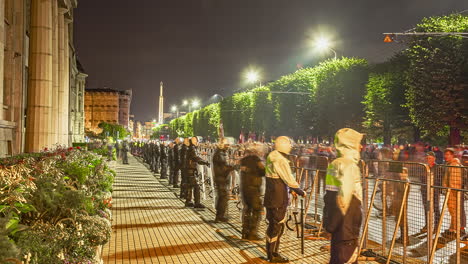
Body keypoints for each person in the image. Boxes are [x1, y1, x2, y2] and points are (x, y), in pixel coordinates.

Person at [323, 128, 363, 264]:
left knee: (337, 256)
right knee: (346, 257)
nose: (361, 146)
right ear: (350, 145)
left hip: (338, 221)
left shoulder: (335, 163)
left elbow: (329, 196)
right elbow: (344, 197)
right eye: (358, 143)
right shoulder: (349, 165)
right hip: (347, 221)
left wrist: (330, 223)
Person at [264, 136, 305, 263]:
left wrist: (291, 189)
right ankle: (272, 255)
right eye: (289, 144)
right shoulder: (280, 159)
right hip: (277, 199)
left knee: (275, 226)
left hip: (272, 197)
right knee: (276, 227)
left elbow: (280, 178)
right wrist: (300, 191)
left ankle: (273, 253)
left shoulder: (272, 155)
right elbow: (288, 178)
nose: (290, 146)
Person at [240, 143, 266, 241]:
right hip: (254, 189)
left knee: (247, 209)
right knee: (256, 210)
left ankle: (244, 232)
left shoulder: (244, 160)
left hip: (245, 188)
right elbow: (263, 171)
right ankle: (252, 233)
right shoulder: (256, 160)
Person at [441, 148, 466, 239]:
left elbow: (455, 181)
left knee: (454, 211)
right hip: (451, 191)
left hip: (453, 192)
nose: (445, 156)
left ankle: (454, 230)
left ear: (453, 155)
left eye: (448, 154)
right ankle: (452, 229)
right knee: (453, 211)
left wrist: (451, 190)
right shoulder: (450, 164)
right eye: (445, 154)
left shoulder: (454, 165)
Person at [212, 137, 236, 222]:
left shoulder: (220, 153)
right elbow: (223, 168)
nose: (229, 146)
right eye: (227, 144)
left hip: (220, 178)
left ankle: (219, 215)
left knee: (222, 197)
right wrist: (234, 167)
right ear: (223, 145)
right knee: (223, 197)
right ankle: (220, 216)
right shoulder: (220, 154)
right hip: (221, 178)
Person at [185, 137, 210, 208]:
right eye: (195, 140)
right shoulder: (192, 149)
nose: (196, 141)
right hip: (191, 169)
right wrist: (204, 162)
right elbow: (195, 158)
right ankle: (197, 203)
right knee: (196, 186)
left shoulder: (190, 148)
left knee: (189, 186)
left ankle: (188, 201)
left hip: (189, 169)